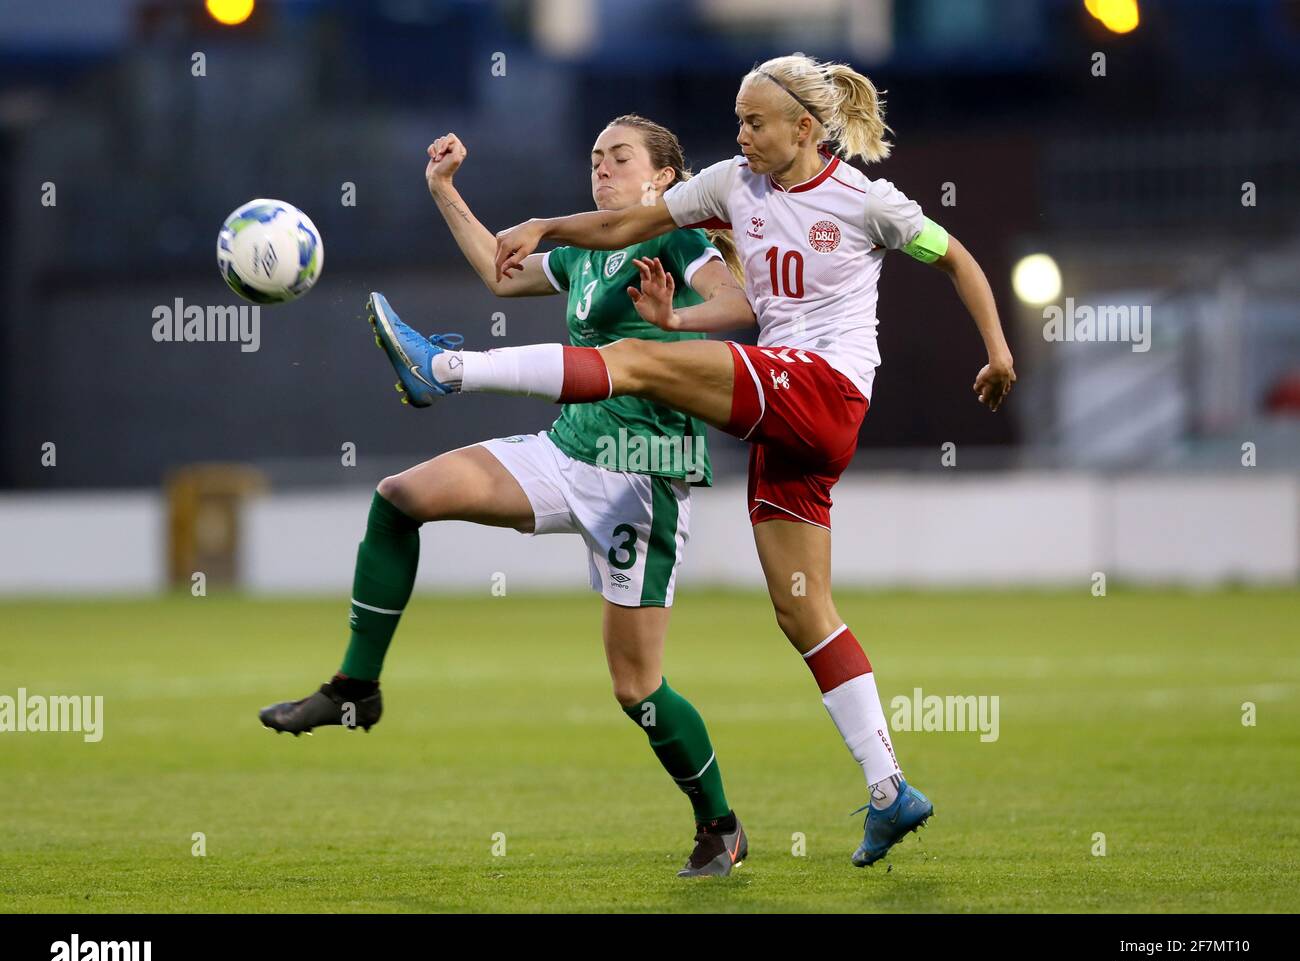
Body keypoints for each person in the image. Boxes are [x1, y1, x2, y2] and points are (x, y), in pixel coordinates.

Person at [368, 53, 1017, 868]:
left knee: (632, 360)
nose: (740, 134)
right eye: (738, 119)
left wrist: (996, 351)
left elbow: (954, 255)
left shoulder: (865, 200)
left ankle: (448, 370)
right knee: (803, 612)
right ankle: (889, 789)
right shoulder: (727, 185)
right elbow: (622, 227)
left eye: (754, 121)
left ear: (804, 128)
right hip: (788, 425)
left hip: (823, 390)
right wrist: (549, 228)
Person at [260, 114, 754, 878]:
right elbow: (501, 271)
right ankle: (355, 686)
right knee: (400, 496)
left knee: (637, 688)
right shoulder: (590, 253)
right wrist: (444, 190)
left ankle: (720, 825)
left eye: (620, 158)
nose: (602, 169)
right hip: (566, 453)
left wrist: (676, 318)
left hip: (644, 472)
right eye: (595, 157)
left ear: (663, 179)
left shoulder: (676, 236)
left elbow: (740, 306)